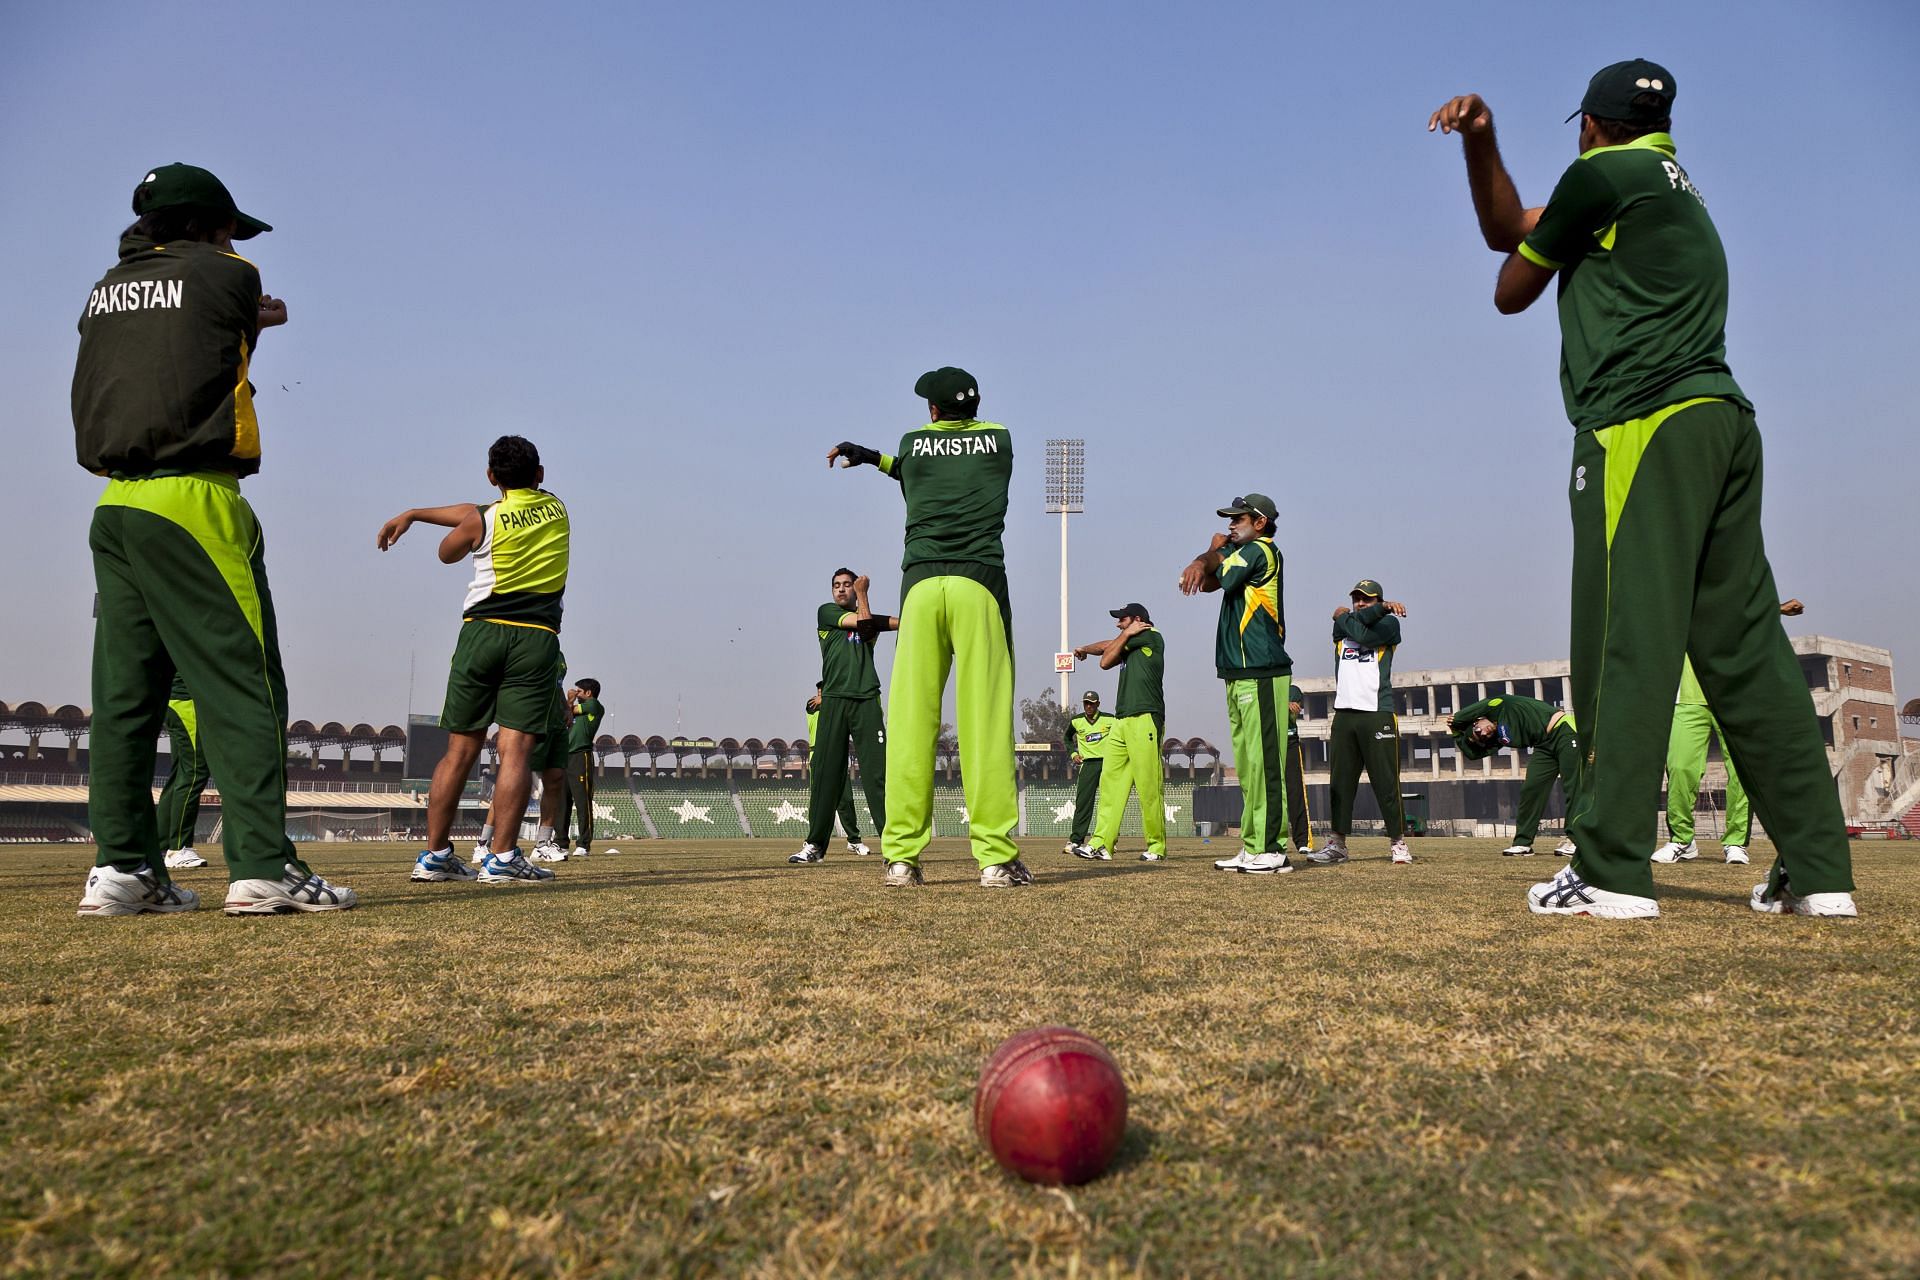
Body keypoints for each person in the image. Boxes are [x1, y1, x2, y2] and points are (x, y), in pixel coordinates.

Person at [1431, 63, 1857, 917]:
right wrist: (1482, 145)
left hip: (1642, 422)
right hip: (1723, 420)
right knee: (1748, 656)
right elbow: (1512, 228)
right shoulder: (1672, 187)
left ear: (1589, 125)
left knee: (1624, 642)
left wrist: (1487, 148)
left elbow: (1510, 280)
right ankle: (1819, 873)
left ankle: (1611, 870)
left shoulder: (1601, 177)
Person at [72, 163, 355, 917]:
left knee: (124, 699)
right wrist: (254, 307)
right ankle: (262, 866)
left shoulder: (106, 287)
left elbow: (166, 332)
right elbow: (237, 315)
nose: (237, 240)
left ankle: (123, 870)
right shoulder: (229, 272)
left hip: (115, 504)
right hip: (195, 499)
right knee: (246, 687)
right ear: (205, 224)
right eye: (228, 226)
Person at [828, 367, 1031, 888]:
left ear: (933, 411)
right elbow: (940, 467)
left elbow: (911, 467)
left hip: (920, 588)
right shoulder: (1000, 440)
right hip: (979, 584)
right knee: (984, 720)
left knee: (913, 721)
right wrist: (881, 460)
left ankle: (900, 858)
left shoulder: (913, 444)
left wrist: (871, 457)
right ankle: (994, 860)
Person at [377, 434, 569, 886]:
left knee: (459, 749)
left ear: (491, 477)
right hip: (536, 637)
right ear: (540, 475)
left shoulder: (482, 519)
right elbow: (477, 508)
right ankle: (502, 859)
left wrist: (414, 515)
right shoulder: (557, 507)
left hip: (480, 633)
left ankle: (435, 856)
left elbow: (449, 551)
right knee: (516, 750)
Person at [1178, 494, 1293, 875]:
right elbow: (1214, 583)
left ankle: (1273, 849)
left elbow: (1218, 573)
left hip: (1262, 671)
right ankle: (1253, 845)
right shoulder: (1243, 554)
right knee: (1247, 767)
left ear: (1259, 522)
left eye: (1237, 519)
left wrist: (1208, 552)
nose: (1230, 525)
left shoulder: (1260, 550)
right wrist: (1210, 558)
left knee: (1265, 765)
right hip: (1238, 673)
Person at [1655, 599, 1807, 867]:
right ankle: (1682, 840)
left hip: (1735, 695)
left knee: (1740, 772)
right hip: (1689, 698)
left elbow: (1739, 606)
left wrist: (1773, 608)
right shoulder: (1680, 586)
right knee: (1679, 767)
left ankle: (1735, 843)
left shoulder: (1726, 580)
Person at [790, 570, 896, 864]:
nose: (841, 590)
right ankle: (814, 845)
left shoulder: (867, 622)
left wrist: (917, 618)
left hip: (866, 700)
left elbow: (875, 624)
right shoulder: (826, 613)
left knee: (877, 775)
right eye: (836, 585)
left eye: (847, 585)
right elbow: (866, 622)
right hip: (834, 701)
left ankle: (894, 848)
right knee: (825, 775)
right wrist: (864, 592)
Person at [1318, 581, 1411, 865]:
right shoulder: (1342, 627)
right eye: (1356, 599)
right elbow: (1348, 627)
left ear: (1379, 601)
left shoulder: (1390, 626)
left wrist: (1344, 614)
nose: (1360, 603)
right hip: (1345, 713)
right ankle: (1338, 844)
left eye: (1367, 600)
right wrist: (1359, 613)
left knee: (1386, 782)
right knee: (1341, 783)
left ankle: (1398, 842)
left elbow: (1364, 636)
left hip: (1376, 712)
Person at [1068, 605, 1167, 861]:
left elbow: (1105, 661)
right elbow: (1106, 646)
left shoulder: (1150, 635)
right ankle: (1101, 843)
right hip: (1122, 721)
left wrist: (1122, 637)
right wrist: (1084, 649)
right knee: (1110, 784)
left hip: (1145, 717)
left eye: (1122, 620)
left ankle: (1156, 846)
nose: (1118, 624)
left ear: (1137, 620)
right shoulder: (1129, 641)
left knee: (1148, 786)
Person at [1447, 694, 1583, 857]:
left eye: (1478, 729)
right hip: (1543, 746)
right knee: (1531, 790)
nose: (1484, 733)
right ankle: (1522, 843)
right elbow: (1472, 754)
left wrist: (1457, 719)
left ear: (1478, 719)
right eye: (1482, 737)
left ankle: (1576, 841)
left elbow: (1481, 705)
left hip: (1565, 731)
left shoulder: (1500, 706)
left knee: (1574, 786)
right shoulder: (1498, 738)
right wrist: (1455, 732)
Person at [805, 681, 870, 855]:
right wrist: (826, 699)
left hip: (838, 754)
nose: (820, 693)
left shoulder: (836, 707)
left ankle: (854, 840)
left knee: (846, 799)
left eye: (824, 690)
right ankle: (813, 841)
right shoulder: (813, 705)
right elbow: (819, 705)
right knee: (818, 800)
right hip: (818, 753)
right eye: (819, 689)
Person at [156, 676, 211, 869]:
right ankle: (179, 848)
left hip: (175, 700)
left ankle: (162, 847)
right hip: (186, 701)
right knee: (195, 771)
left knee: (180, 773)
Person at [555, 678, 604, 856]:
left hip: (581, 756)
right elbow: (563, 716)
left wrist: (569, 700)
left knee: (582, 801)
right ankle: (560, 842)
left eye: (579, 690)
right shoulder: (578, 710)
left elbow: (569, 710)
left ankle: (584, 844)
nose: (576, 692)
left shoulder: (594, 706)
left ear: (588, 693)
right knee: (562, 802)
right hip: (565, 757)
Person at [1062, 691, 1112, 856]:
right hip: (1087, 765)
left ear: (1098, 704)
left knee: (1108, 803)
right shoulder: (1076, 721)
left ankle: (1108, 840)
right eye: (1086, 703)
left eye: (1092, 703)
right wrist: (1073, 754)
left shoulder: (1110, 719)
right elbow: (1067, 738)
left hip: (1107, 764)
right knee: (1083, 803)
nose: (1089, 706)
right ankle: (1076, 840)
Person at [1283, 686, 1315, 858]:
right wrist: (1281, 704)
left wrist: (1287, 704)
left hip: (1289, 743)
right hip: (1267, 743)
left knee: (1296, 793)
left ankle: (1303, 841)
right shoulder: (1260, 686)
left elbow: (1295, 708)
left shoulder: (1292, 690)